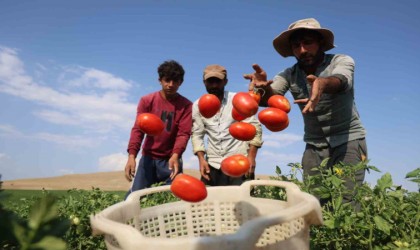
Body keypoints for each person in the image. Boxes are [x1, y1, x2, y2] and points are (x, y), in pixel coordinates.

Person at [244, 18, 367, 207]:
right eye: (296, 45)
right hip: (314, 143)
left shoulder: (340, 60)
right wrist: (260, 89)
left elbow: (342, 80)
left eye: (308, 42)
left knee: (349, 201)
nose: (302, 50)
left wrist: (322, 83)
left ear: (321, 43)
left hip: (348, 138)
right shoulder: (289, 74)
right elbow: (271, 98)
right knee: (314, 202)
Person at [124, 60, 192, 197]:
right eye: (167, 80)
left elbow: (183, 134)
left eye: (175, 81)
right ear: (160, 80)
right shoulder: (147, 101)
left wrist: (175, 155)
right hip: (148, 158)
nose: (171, 85)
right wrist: (132, 156)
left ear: (181, 82)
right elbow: (138, 129)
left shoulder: (186, 105)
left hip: (171, 160)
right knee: (136, 197)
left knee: (171, 199)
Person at [192, 64, 263, 186]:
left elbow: (254, 128)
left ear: (225, 81)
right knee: (209, 202)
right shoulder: (198, 105)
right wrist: (201, 159)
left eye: (218, 81)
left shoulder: (237, 99)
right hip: (213, 164)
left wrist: (251, 157)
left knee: (241, 202)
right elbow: (197, 134)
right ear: (204, 82)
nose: (214, 85)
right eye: (210, 81)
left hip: (238, 163)